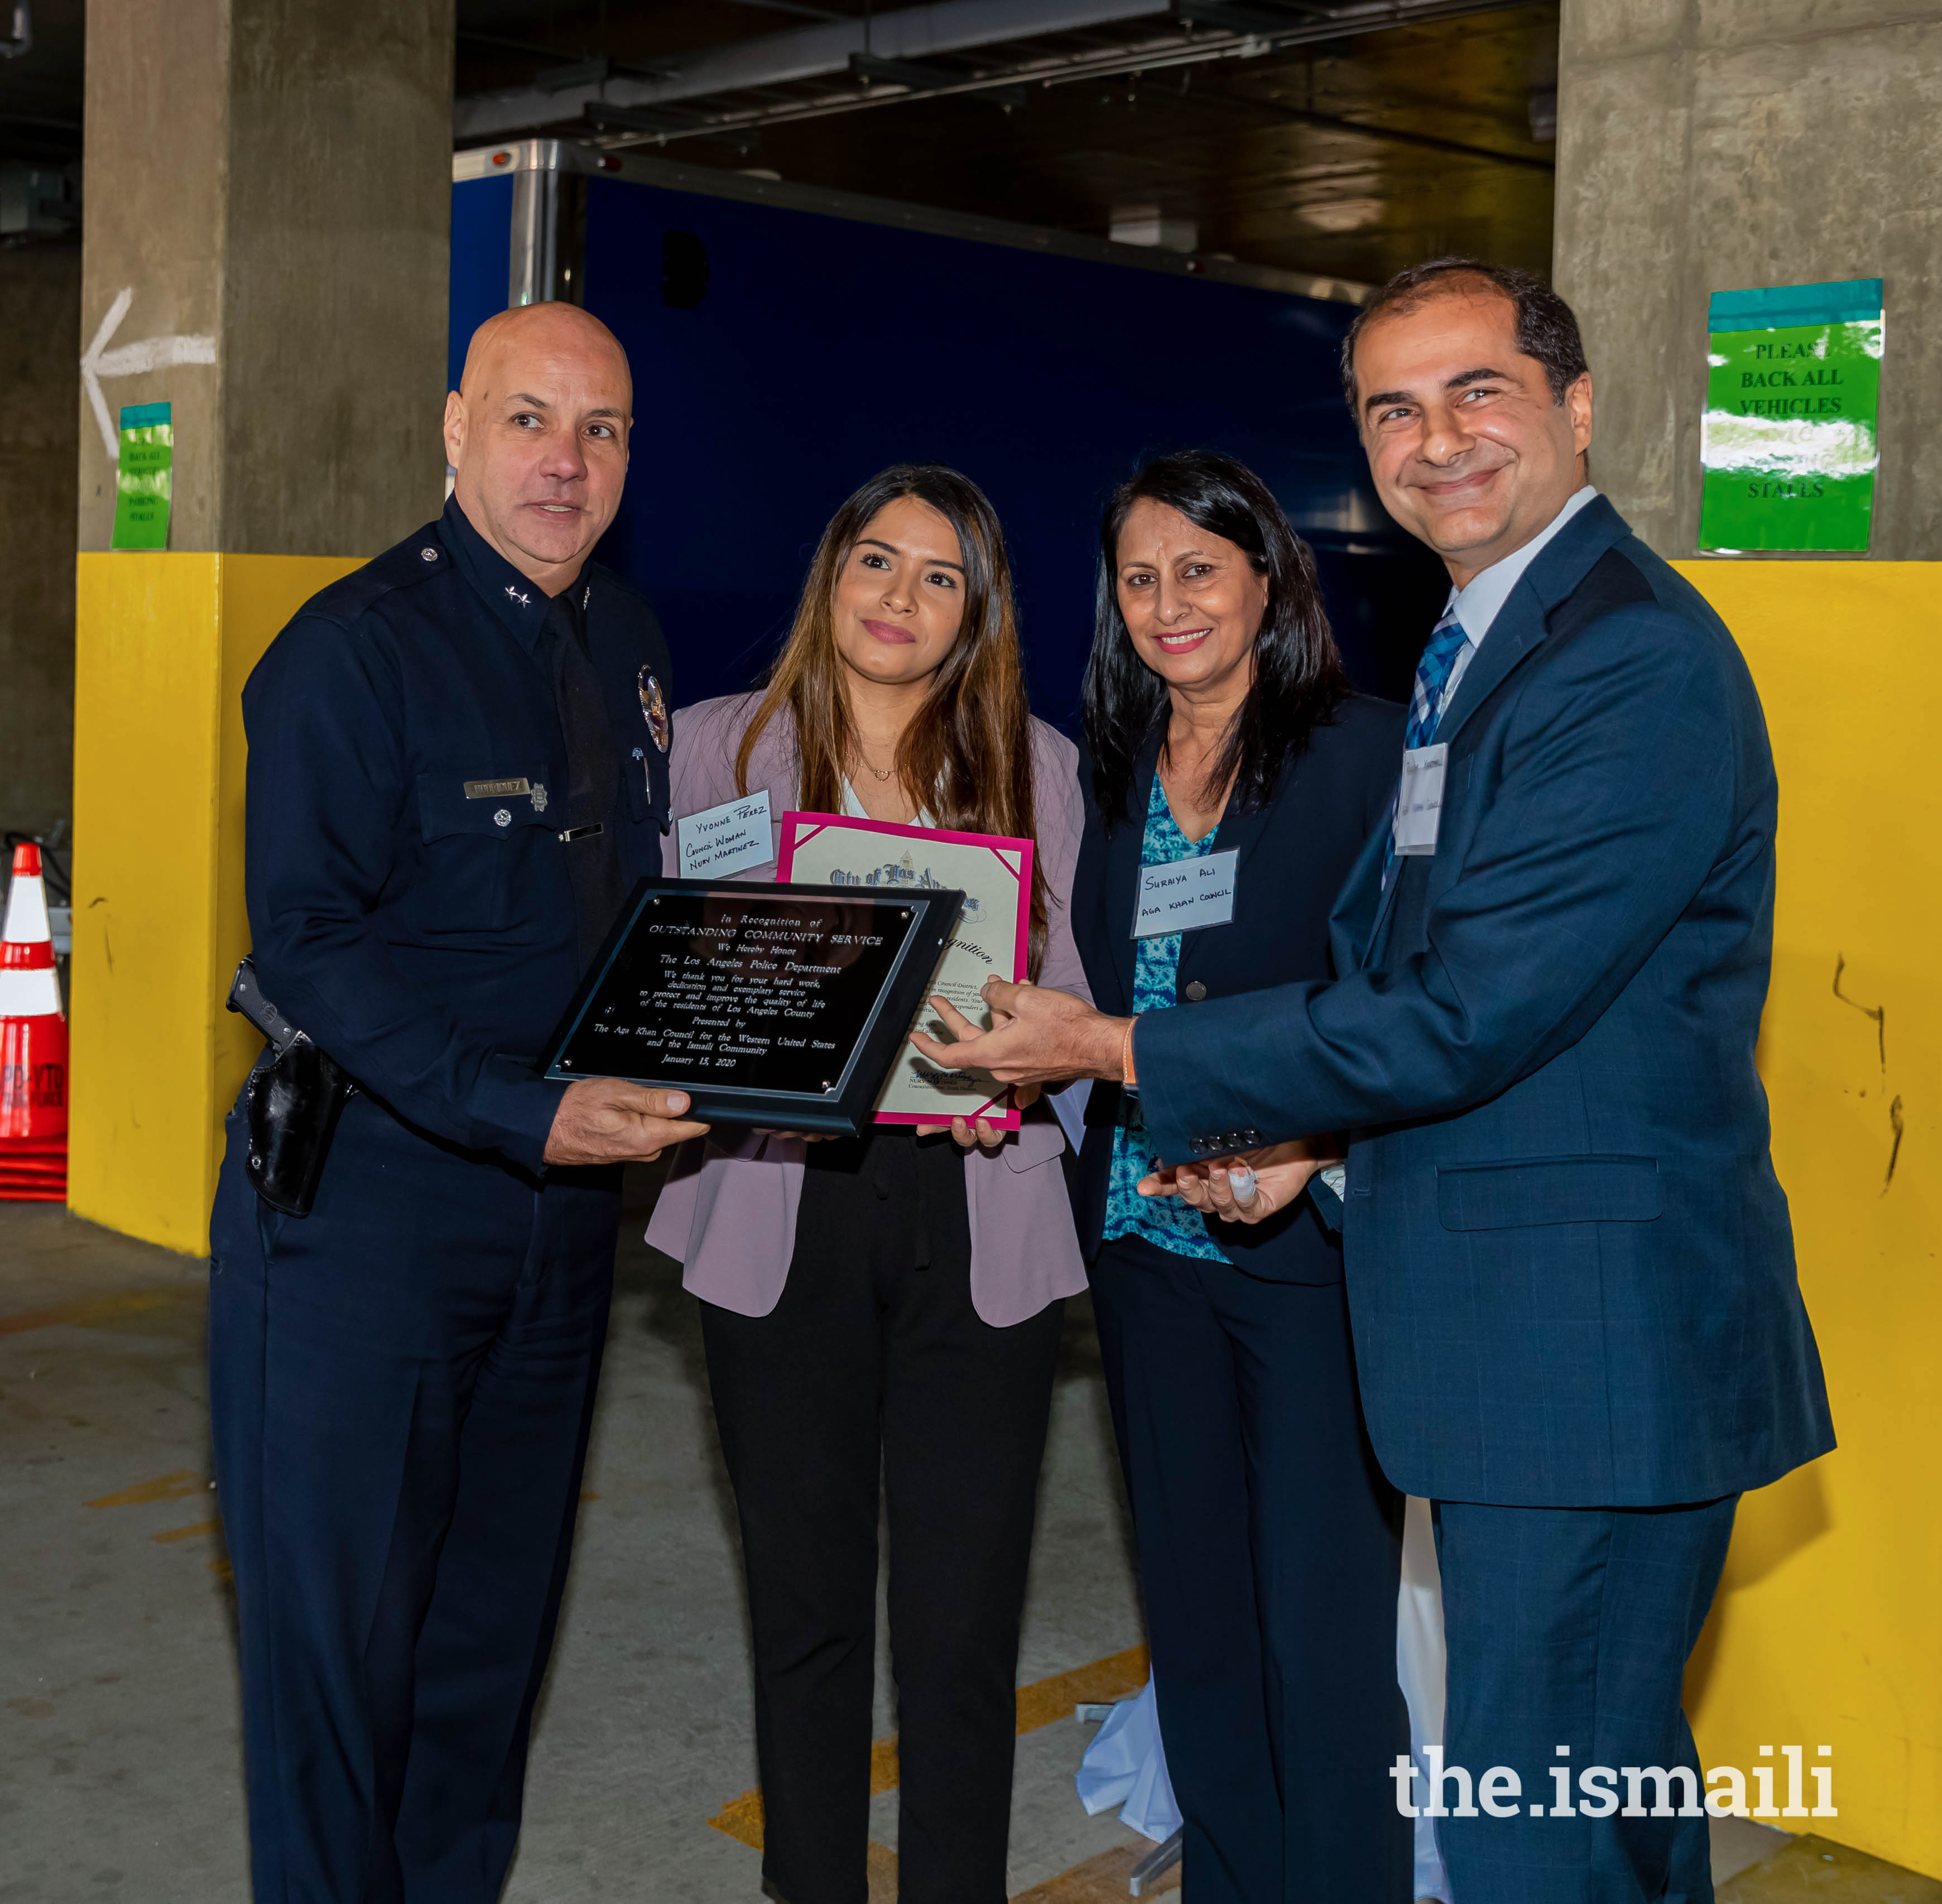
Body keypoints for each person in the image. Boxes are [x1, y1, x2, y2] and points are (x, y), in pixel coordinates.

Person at [914, 259, 1835, 1904]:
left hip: (1586, 1349)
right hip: (1517, 1329)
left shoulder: (1622, 661)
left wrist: (1118, 1047)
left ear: (1577, 406)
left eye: (1477, 390)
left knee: (1533, 1827)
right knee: (1593, 1801)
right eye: (1392, 409)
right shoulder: (1488, 646)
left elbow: (1471, 1011)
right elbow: (1415, 980)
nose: (1437, 439)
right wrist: (1309, 1154)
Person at [208, 302, 709, 1903]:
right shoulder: (347, 654)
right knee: (337, 1652)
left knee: (487, 1638)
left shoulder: (626, 644)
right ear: (453, 425)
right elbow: (312, 946)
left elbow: (641, 909)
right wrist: (521, 1106)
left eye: (604, 430)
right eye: (529, 420)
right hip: (371, 1223)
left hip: (556, 1232)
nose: (566, 463)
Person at [646, 464, 1088, 1904]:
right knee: (806, 1606)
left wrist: (1024, 1080)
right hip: (782, 1211)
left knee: (961, 1625)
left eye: (941, 576)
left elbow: (1074, 996)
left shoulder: (1041, 765)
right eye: (877, 562)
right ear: (830, 576)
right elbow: (673, 976)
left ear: (978, 614)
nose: (901, 599)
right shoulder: (721, 749)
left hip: (980, 1209)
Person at [1068, 449, 1410, 1902]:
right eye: (1140, 578)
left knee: (1319, 1632)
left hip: (1305, 1267)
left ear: (1270, 578)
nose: (1168, 604)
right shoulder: (1116, 766)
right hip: (1148, 1253)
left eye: (1198, 570)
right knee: (1199, 1618)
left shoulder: (1366, 755)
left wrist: (1319, 1149)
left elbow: (1415, 1010)